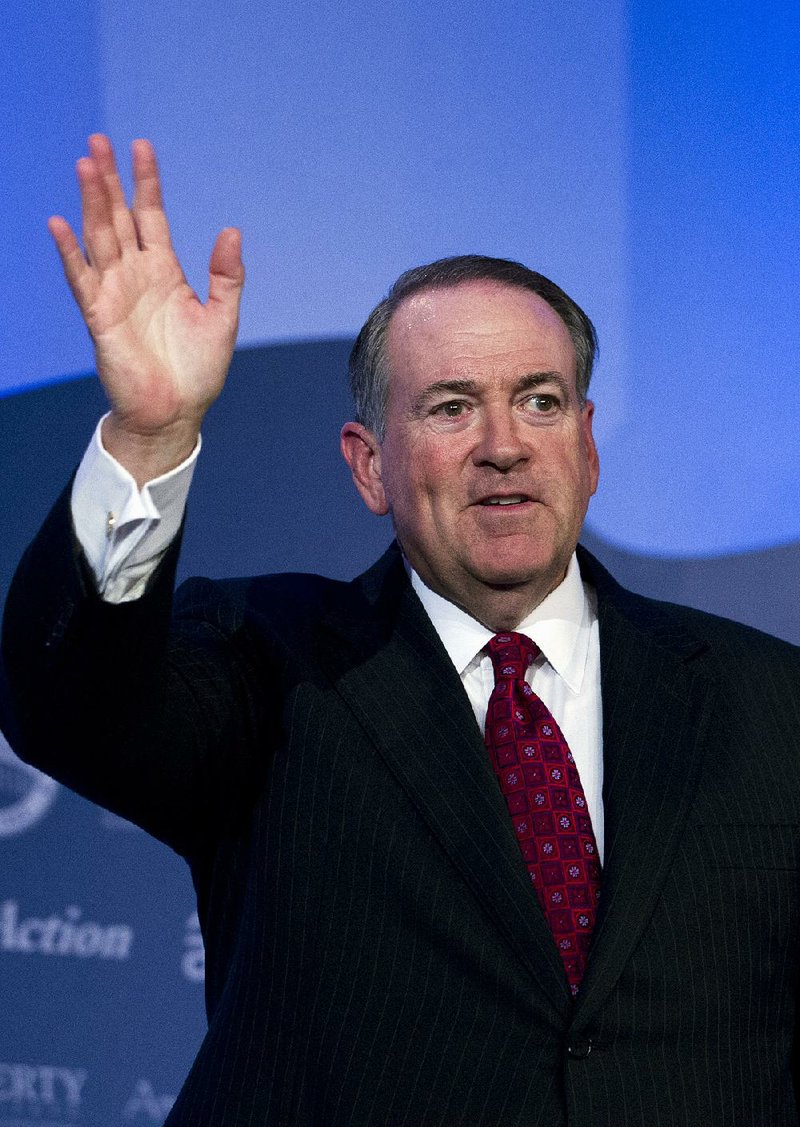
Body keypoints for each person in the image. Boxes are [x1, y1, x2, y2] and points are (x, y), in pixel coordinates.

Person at [2, 134, 800, 1127]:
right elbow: (67, 703)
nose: (502, 443)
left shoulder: (768, 700)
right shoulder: (269, 662)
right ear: (368, 463)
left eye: (539, 402)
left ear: (586, 447)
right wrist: (152, 434)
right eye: (451, 406)